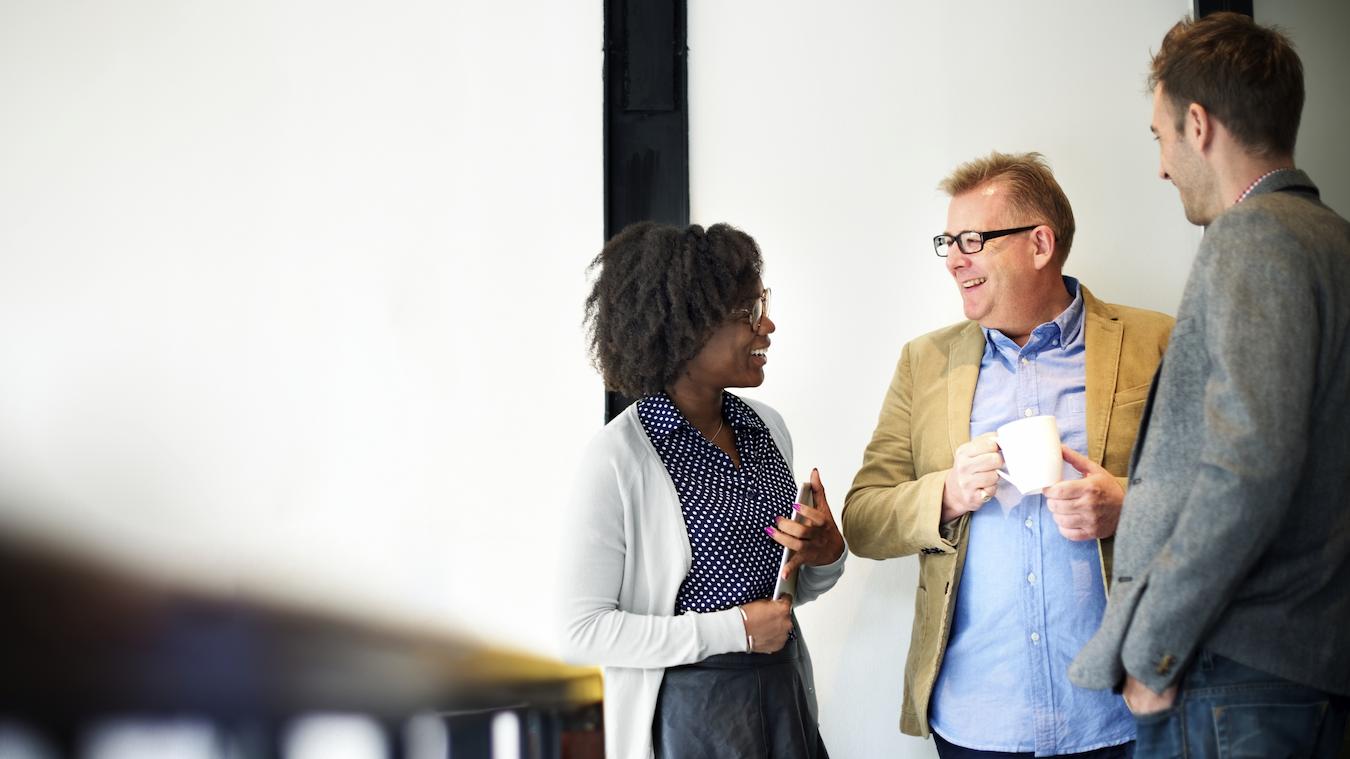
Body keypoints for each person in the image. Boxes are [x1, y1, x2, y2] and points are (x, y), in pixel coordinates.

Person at [1069, 13, 1350, 757]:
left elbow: (1245, 468)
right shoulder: (1336, 242)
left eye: (1159, 136)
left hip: (1235, 680)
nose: (1161, 165)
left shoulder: (1252, 238)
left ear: (1198, 125)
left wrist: (1155, 650)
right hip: (1308, 669)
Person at [843, 152, 1174, 758]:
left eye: (972, 239)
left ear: (1040, 243)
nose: (953, 259)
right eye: (947, 240)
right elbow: (863, 518)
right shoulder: (925, 362)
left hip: (1122, 711)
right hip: (977, 718)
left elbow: (1223, 494)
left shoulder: (1157, 341)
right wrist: (945, 492)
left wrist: (1129, 504)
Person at [560, 221, 847, 759]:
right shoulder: (620, 458)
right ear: (683, 328)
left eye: (761, 303)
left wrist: (826, 554)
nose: (768, 325)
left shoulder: (767, 429)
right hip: (692, 715)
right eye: (746, 312)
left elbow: (785, 596)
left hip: (785, 698)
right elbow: (582, 630)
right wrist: (733, 630)